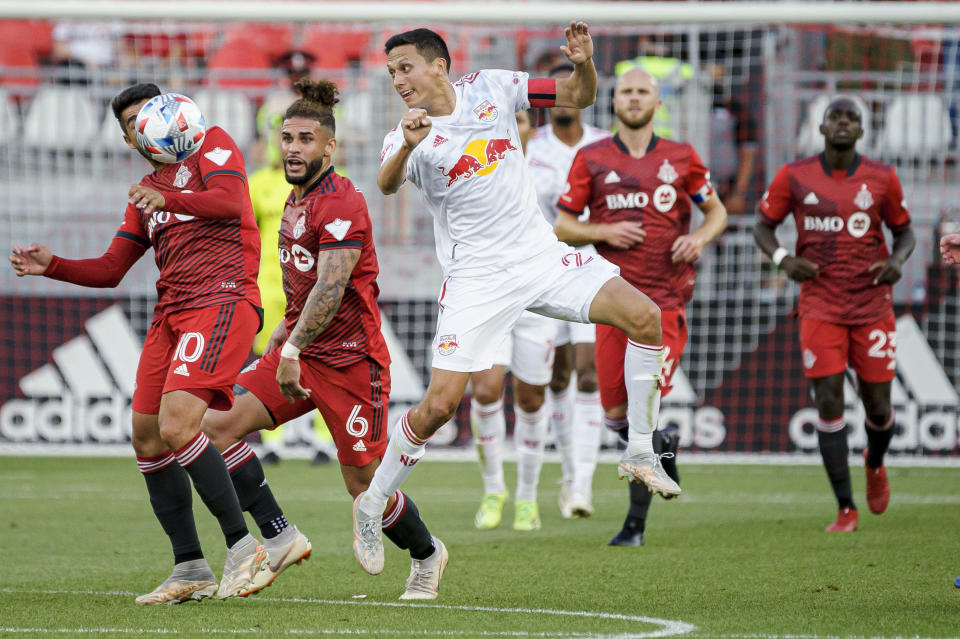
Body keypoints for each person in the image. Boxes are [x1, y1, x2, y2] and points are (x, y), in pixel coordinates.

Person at [352, 22, 678, 576]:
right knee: (437, 407)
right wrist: (408, 145)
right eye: (392, 73)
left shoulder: (493, 87)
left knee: (646, 318)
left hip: (542, 257)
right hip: (477, 279)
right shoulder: (407, 131)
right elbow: (386, 184)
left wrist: (584, 63)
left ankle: (641, 450)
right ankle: (371, 504)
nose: (399, 81)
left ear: (438, 65)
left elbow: (580, 96)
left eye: (405, 68)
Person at [9, 83, 270, 603]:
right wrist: (53, 265)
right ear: (129, 138)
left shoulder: (212, 146)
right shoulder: (145, 192)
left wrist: (170, 196)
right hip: (171, 315)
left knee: (179, 425)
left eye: (152, 113)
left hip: (221, 300)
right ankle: (190, 567)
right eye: (133, 121)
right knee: (148, 438)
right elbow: (111, 269)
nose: (146, 124)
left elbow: (229, 200)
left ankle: (246, 549)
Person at [200, 78, 446, 601]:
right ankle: (279, 534)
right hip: (300, 352)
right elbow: (307, 286)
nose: (293, 147)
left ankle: (427, 554)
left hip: (352, 363)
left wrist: (289, 347)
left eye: (305, 139)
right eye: (287, 137)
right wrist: (286, 335)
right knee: (214, 426)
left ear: (329, 147)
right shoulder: (294, 201)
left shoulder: (340, 202)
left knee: (363, 489)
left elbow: (332, 290)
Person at [555, 69, 728, 545]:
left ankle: (634, 526)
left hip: (664, 305)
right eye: (626, 92)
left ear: (656, 101)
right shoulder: (591, 158)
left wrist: (697, 237)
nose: (633, 99)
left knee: (639, 415)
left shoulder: (682, 157)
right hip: (612, 303)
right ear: (613, 102)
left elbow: (717, 213)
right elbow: (564, 225)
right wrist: (604, 232)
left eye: (642, 92)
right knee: (614, 416)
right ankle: (662, 446)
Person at [754, 96, 915, 533]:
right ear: (822, 128)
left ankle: (875, 463)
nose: (843, 123)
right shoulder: (795, 175)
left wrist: (898, 262)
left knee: (878, 407)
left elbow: (905, 233)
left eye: (852, 119)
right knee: (828, 402)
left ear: (862, 131)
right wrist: (785, 259)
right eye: (835, 117)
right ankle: (846, 508)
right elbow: (762, 226)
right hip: (820, 304)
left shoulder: (882, 178)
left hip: (871, 305)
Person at [524, 62, 611, 519]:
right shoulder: (529, 148)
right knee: (554, 378)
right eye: (553, 91)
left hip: (592, 269)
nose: (560, 97)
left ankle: (581, 484)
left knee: (589, 372)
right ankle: (568, 471)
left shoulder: (603, 145)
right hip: (541, 272)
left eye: (567, 89)